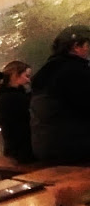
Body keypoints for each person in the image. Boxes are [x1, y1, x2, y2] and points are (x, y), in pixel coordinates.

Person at [30, 25, 90, 163]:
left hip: (45, 147)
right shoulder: (74, 71)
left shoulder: (47, 71)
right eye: (87, 45)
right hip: (71, 147)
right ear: (76, 46)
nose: (88, 49)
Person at [0, 60, 35, 163]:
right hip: (24, 151)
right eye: (26, 76)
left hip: (12, 150)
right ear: (15, 76)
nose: (28, 80)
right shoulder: (15, 98)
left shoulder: (1, 96)